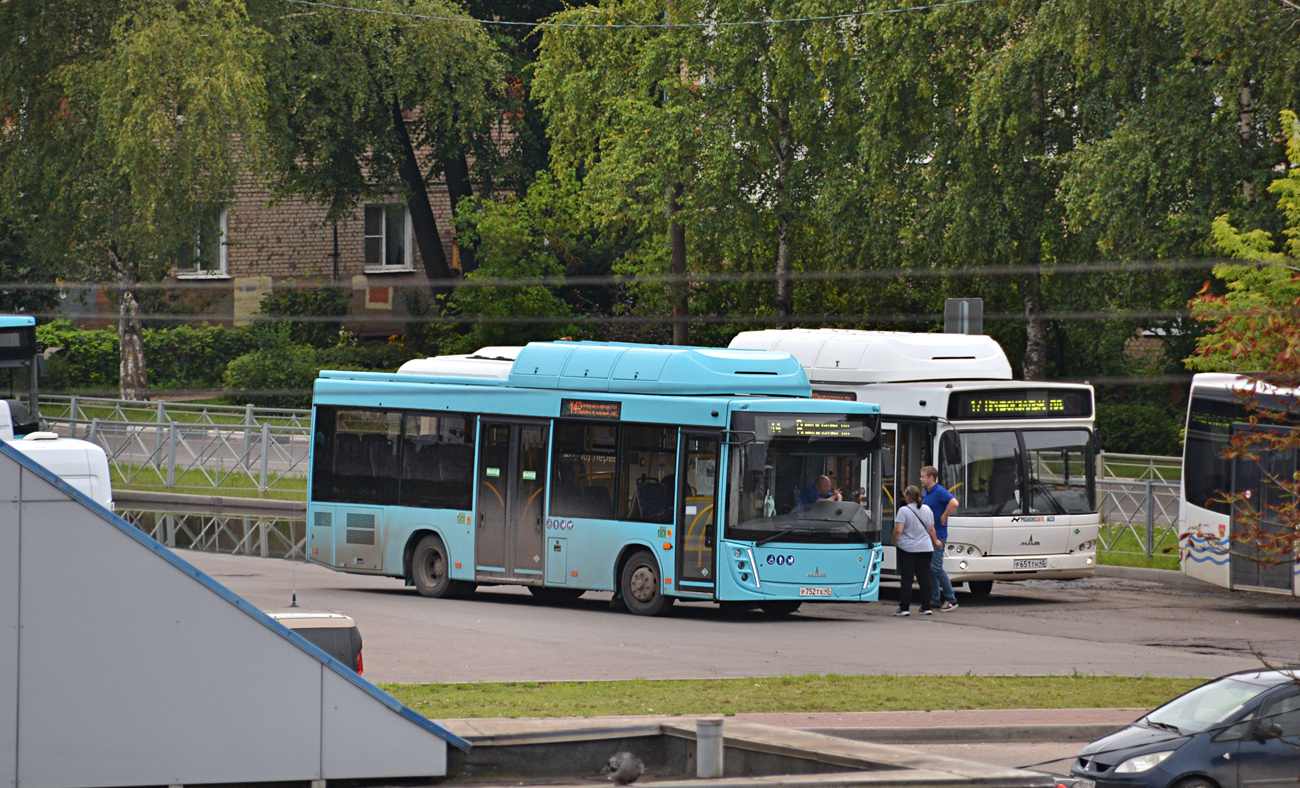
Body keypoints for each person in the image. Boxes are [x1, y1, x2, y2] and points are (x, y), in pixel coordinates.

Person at [892, 484, 940, 617]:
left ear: (908, 497)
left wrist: (895, 542)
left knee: (907, 579)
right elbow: (931, 529)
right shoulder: (927, 509)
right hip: (926, 549)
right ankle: (926, 607)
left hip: (908, 549)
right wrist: (936, 541)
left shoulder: (904, 510)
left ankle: (904, 608)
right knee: (924, 579)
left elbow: (898, 530)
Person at [920, 465, 959, 611]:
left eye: (923, 477)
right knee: (930, 568)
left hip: (938, 535)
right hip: (929, 534)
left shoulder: (939, 491)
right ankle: (935, 599)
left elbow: (954, 503)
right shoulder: (927, 492)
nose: (920, 479)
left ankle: (951, 599)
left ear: (931, 478)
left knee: (936, 567)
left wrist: (944, 516)